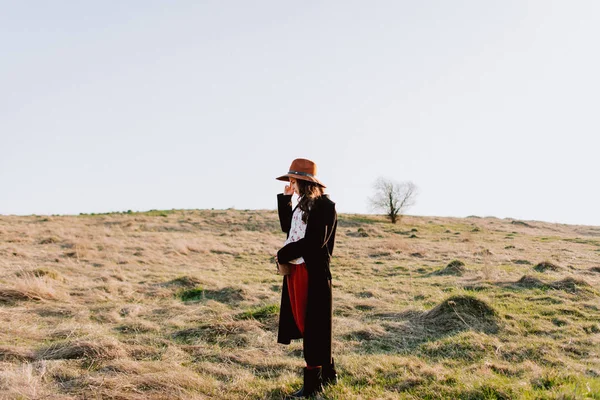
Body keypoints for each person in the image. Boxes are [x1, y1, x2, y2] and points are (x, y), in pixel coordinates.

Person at [275, 158, 338, 398]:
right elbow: (287, 229)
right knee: (307, 324)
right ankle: (327, 375)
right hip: (296, 272)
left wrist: (282, 253)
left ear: (304, 181)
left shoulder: (324, 205)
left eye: (293, 180)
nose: (291, 183)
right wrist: (286, 199)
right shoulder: (301, 205)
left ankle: (313, 385)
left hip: (311, 274)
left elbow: (314, 243)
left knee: (313, 327)